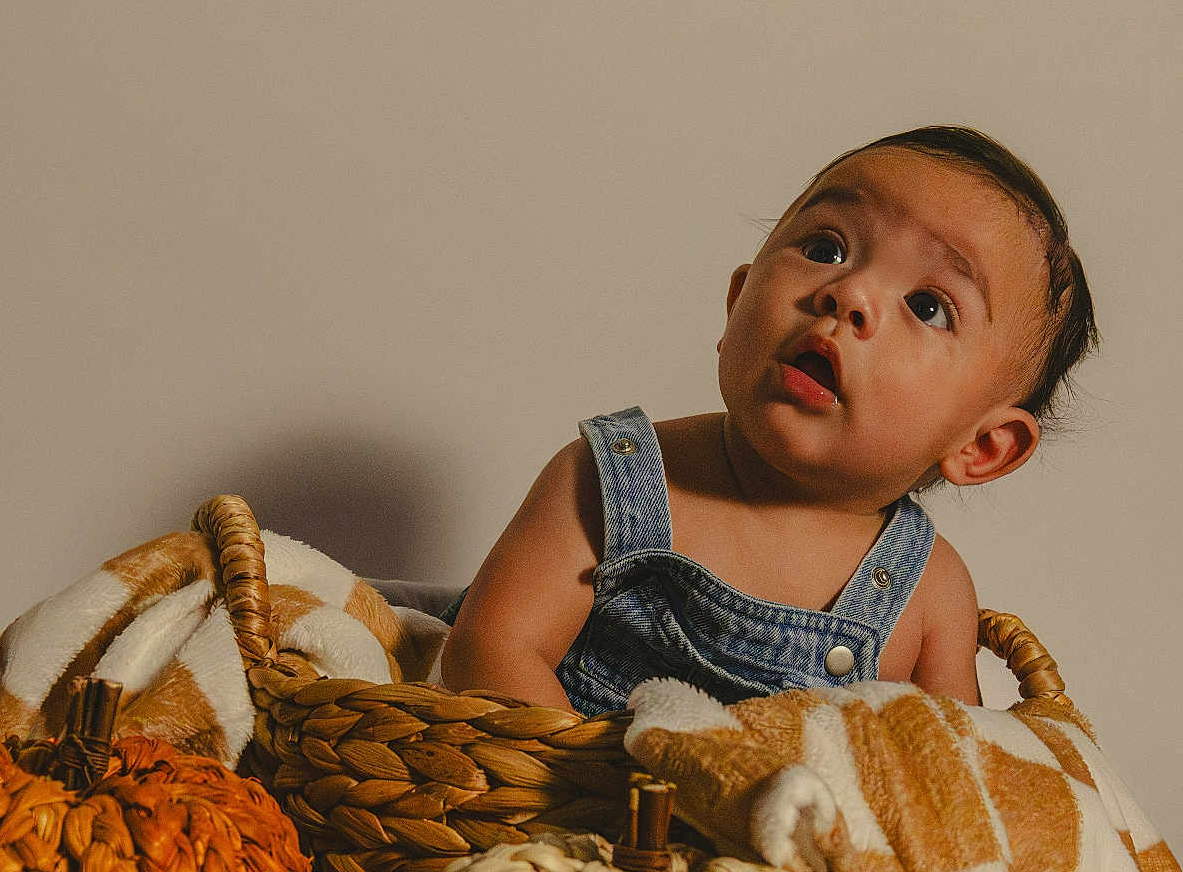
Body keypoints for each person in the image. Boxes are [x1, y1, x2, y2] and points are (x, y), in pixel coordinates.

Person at [439, 125, 1098, 713]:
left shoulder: (929, 591)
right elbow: (491, 653)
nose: (848, 293)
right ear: (736, 304)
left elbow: (950, 782)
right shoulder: (611, 482)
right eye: (825, 247)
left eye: (927, 306)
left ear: (983, 446)